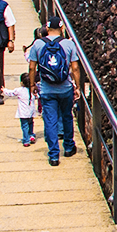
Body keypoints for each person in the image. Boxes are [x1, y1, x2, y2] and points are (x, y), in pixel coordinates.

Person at [27, 16, 79, 166]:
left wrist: (32, 85)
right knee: (67, 116)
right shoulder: (69, 44)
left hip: (47, 89)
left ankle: (54, 155)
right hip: (65, 88)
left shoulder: (37, 44)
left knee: (50, 121)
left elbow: (32, 67)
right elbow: (74, 68)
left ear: (47, 29)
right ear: (62, 28)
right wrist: (77, 86)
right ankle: (68, 147)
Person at [9, 72, 37, 147]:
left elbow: (11, 93)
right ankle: (31, 135)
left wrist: (3, 90)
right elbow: (38, 96)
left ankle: (26, 140)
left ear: (22, 83)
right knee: (31, 123)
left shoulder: (19, 90)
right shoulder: (32, 91)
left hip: (23, 113)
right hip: (31, 112)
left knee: (24, 126)